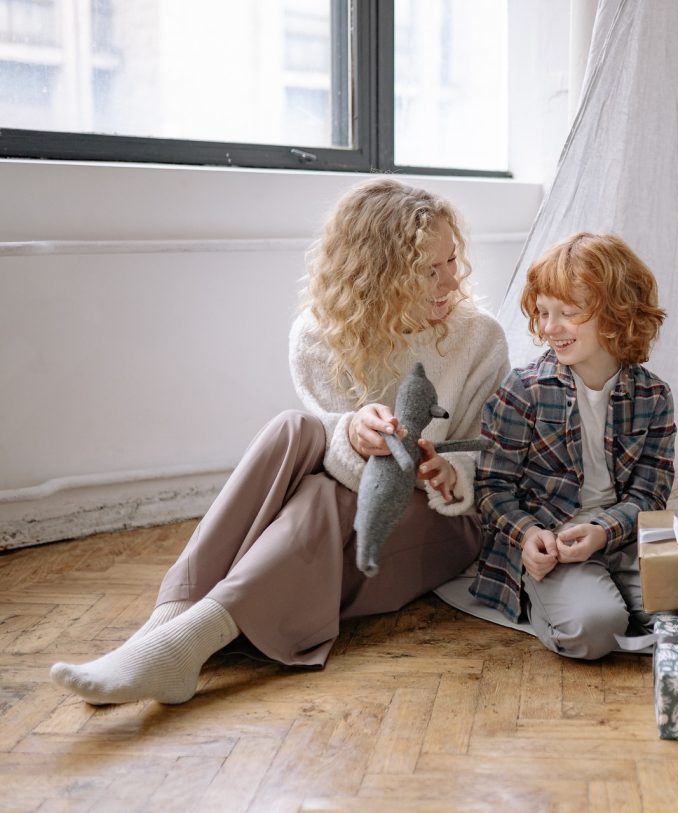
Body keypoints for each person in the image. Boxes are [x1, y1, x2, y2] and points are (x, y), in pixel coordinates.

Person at [50, 178, 509, 705]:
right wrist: (353, 435)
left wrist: (449, 473)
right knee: (295, 430)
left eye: (453, 261)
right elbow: (339, 472)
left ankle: (172, 635)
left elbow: (486, 459)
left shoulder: (480, 338)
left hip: (438, 522)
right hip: (341, 510)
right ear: (379, 275)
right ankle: (167, 632)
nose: (450, 281)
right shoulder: (318, 336)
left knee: (320, 495)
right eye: (429, 270)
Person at [471, 232, 675, 659]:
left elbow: (650, 493)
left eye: (568, 313)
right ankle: (546, 603)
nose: (549, 328)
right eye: (544, 313)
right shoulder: (523, 389)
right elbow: (492, 487)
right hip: (554, 544)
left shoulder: (653, 395)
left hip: (621, 536)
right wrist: (528, 536)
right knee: (595, 628)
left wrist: (603, 532)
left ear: (617, 314)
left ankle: (618, 600)